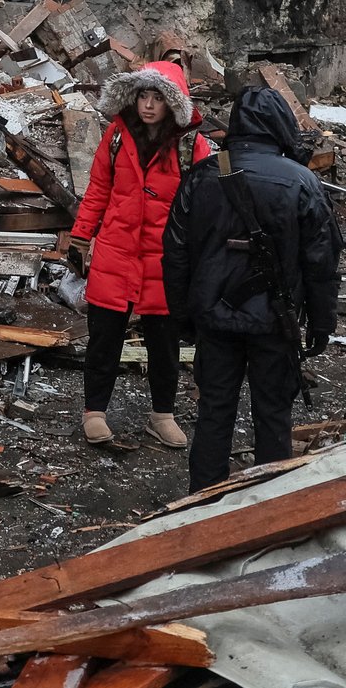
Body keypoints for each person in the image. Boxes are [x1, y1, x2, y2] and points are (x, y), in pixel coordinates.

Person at [161, 87, 342, 492]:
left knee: (214, 413)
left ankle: (203, 507)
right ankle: (269, 509)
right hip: (274, 323)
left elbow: (174, 253)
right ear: (281, 125)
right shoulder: (302, 182)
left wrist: (184, 317)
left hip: (215, 319)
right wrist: (321, 323)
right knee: (274, 416)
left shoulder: (202, 176)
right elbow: (322, 261)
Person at [68, 61, 211, 448]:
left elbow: (204, 205)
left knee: (164, 343)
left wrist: (201, 258)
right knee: (104, 337)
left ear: (172, 103)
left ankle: (161, 414)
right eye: (143, 96)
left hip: (165, 259)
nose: (148, 105)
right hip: (117, 250)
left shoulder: (191, 146)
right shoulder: (116, 136)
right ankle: (94, 412)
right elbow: (98, 189)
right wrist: (81, 238)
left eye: (158, 98)